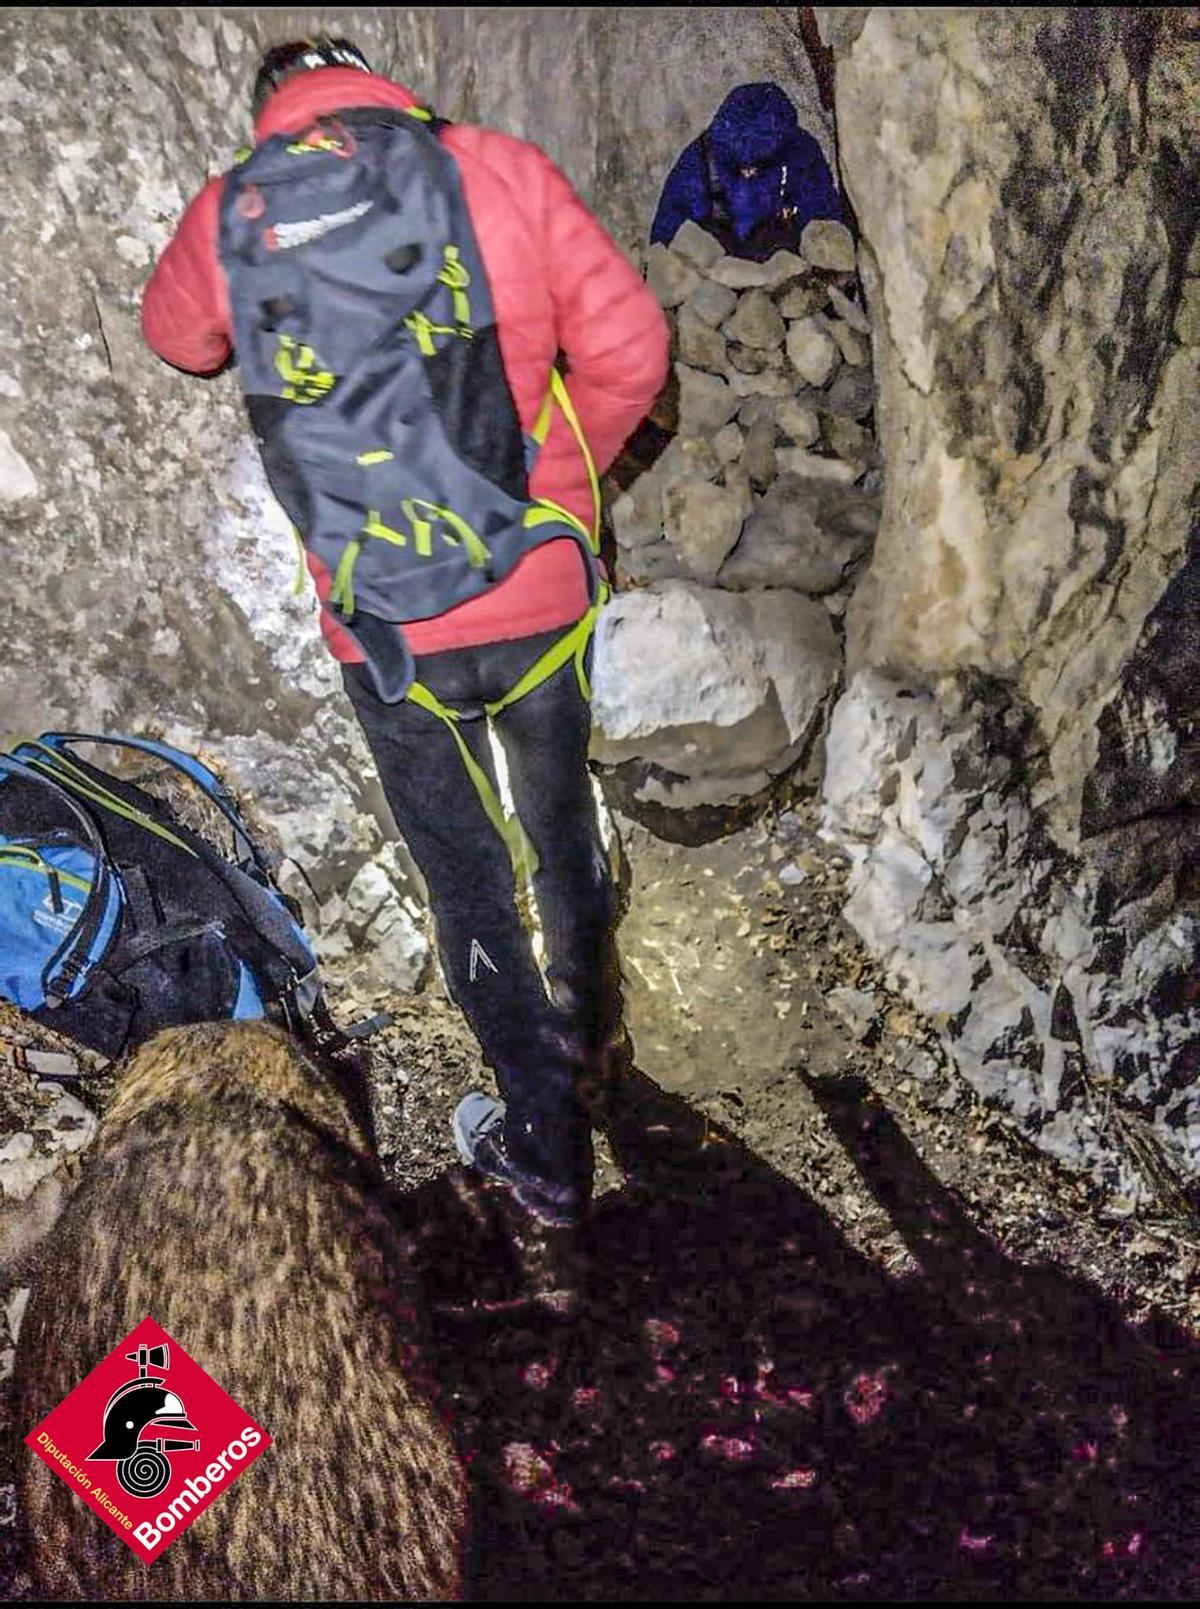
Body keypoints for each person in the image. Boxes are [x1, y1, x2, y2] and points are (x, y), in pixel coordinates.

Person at [141, 36, 669, 1241]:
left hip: (388, 635)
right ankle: (595, 1042)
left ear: (279, 114)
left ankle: (544, 1149)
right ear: (382, 84)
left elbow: (178, 339)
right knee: (559, 829)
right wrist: (558, 498)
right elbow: (635, 349)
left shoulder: (239, 208)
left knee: (466, 878)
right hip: (537, 599)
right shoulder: (499, 168)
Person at [651, 81, 842, 261]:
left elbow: (826, 225)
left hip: (783, 280)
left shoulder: (800, 154)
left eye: (759, 163)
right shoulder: (700, 161)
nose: (748, 171)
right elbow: (668, 233)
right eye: (739, 164)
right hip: (719, 284)